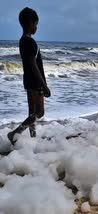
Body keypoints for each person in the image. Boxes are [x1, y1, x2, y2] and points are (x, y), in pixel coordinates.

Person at [7, 7, 51, 145]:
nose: (36, 27)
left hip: (29, 81)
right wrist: (44, 86)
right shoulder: (30, 42)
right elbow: (34, 66)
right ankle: (15, 133)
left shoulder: (22, 41)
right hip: (35, 82)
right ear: (31, 23)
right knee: (39, 112)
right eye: (36, 24)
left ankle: (33, 138)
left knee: (32, 113)